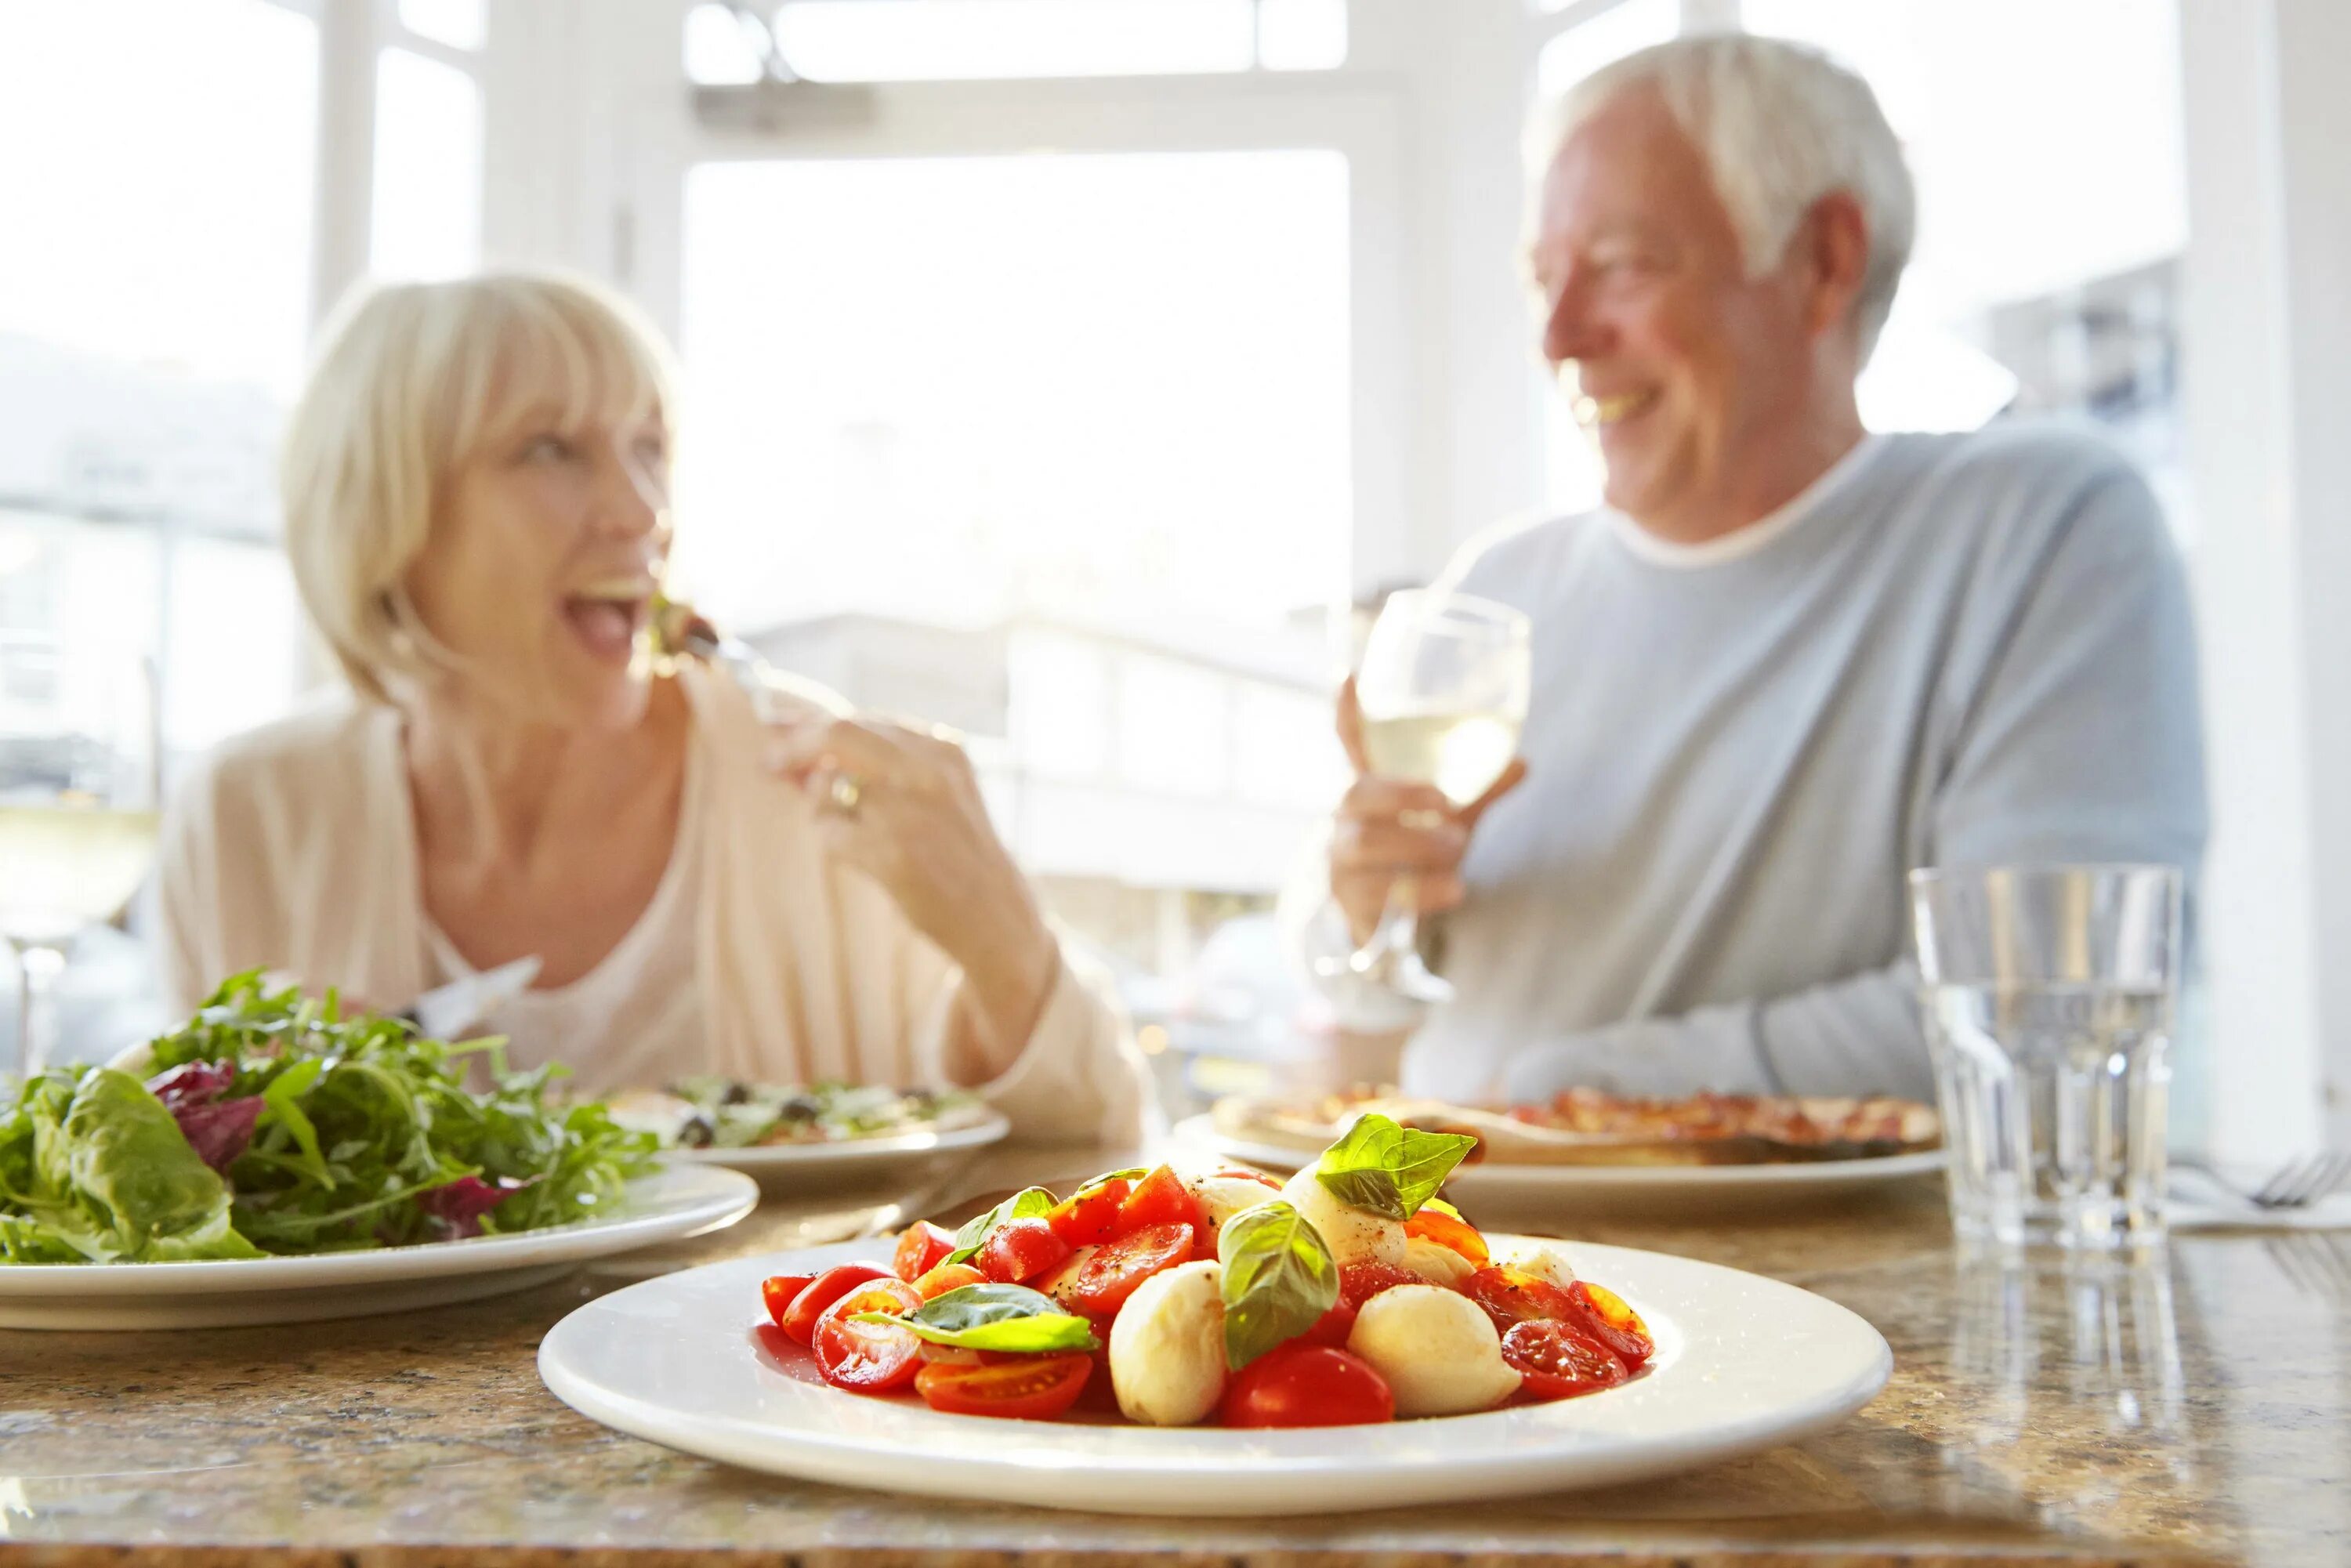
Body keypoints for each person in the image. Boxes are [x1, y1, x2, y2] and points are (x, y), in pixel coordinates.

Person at [1298, 34, 2208, 1105]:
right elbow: (1357, 988)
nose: (1560, 336)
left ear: (1826, 260)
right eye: (1545, 278)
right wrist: (1363, 905)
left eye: (1624, 264)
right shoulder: (1497, 591)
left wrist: (1565, 1094)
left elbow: (2048, 1002)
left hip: (1828, 1271)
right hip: (1460, 1260)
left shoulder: (2039, 529)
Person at [157, 272, 1145, 1143]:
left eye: (649, 448)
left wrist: (1000, 934)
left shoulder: (817, 785)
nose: (642, 512)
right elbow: (184, 1206)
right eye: (550, 450)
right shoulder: (252, 814)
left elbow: (1088, 1135)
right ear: (388, 515)